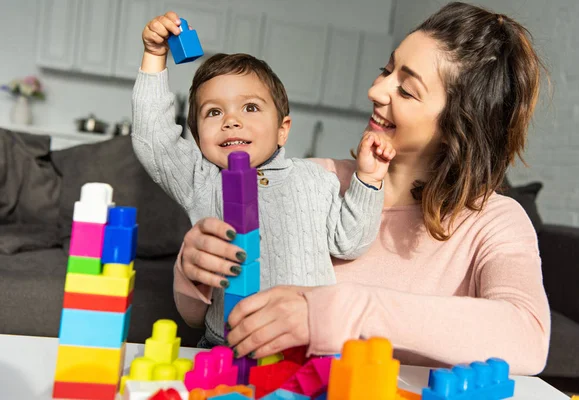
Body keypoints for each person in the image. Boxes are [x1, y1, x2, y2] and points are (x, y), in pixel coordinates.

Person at [173, 1, 552, 374]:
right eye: (385, 70)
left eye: (406, 90)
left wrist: (329, 312)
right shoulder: (310, 182)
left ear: (460, 122)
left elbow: (528, 337)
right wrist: (193, 271)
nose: (377, 90)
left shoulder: (494, 222)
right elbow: (200, 318)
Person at [132, 12, 396, 347]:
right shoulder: (202, 180)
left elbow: (351, 241)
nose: (231, 120)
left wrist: (369, 178)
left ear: (282, 130)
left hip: (306, 346)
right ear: (198, 139)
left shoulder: (316, 180)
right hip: (225, 346)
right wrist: (155, 56)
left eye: (250, 108)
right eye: (214, 112)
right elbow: (152, 138)